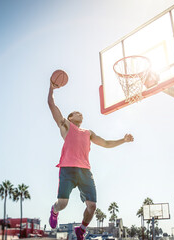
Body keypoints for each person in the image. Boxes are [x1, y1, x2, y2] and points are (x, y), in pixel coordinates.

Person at [47, 79, 134, 240]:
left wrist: (123, 140)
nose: (80, 113)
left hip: (85, 171)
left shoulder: (88, 132)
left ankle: (81, 229)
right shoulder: (66, 126)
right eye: (76, 112)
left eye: (81, 113)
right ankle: (54, 211)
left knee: (92, 206)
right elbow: (52, 106)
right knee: (63, 204)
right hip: (67, 169)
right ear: (70, 117)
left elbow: (106, 143)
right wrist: (51, 90)